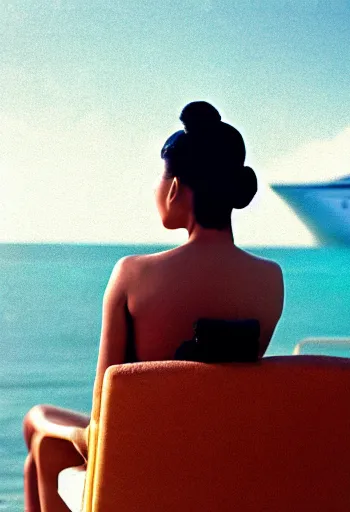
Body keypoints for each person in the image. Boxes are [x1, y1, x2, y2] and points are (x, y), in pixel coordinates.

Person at [22, 101, 284, 511]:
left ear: (176, 187)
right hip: (216, 460)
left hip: (144, 465)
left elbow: (102, 423)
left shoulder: (132, 275)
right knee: (39, 452)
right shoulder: (270, 280)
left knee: (39, 435)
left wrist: (38, 420)